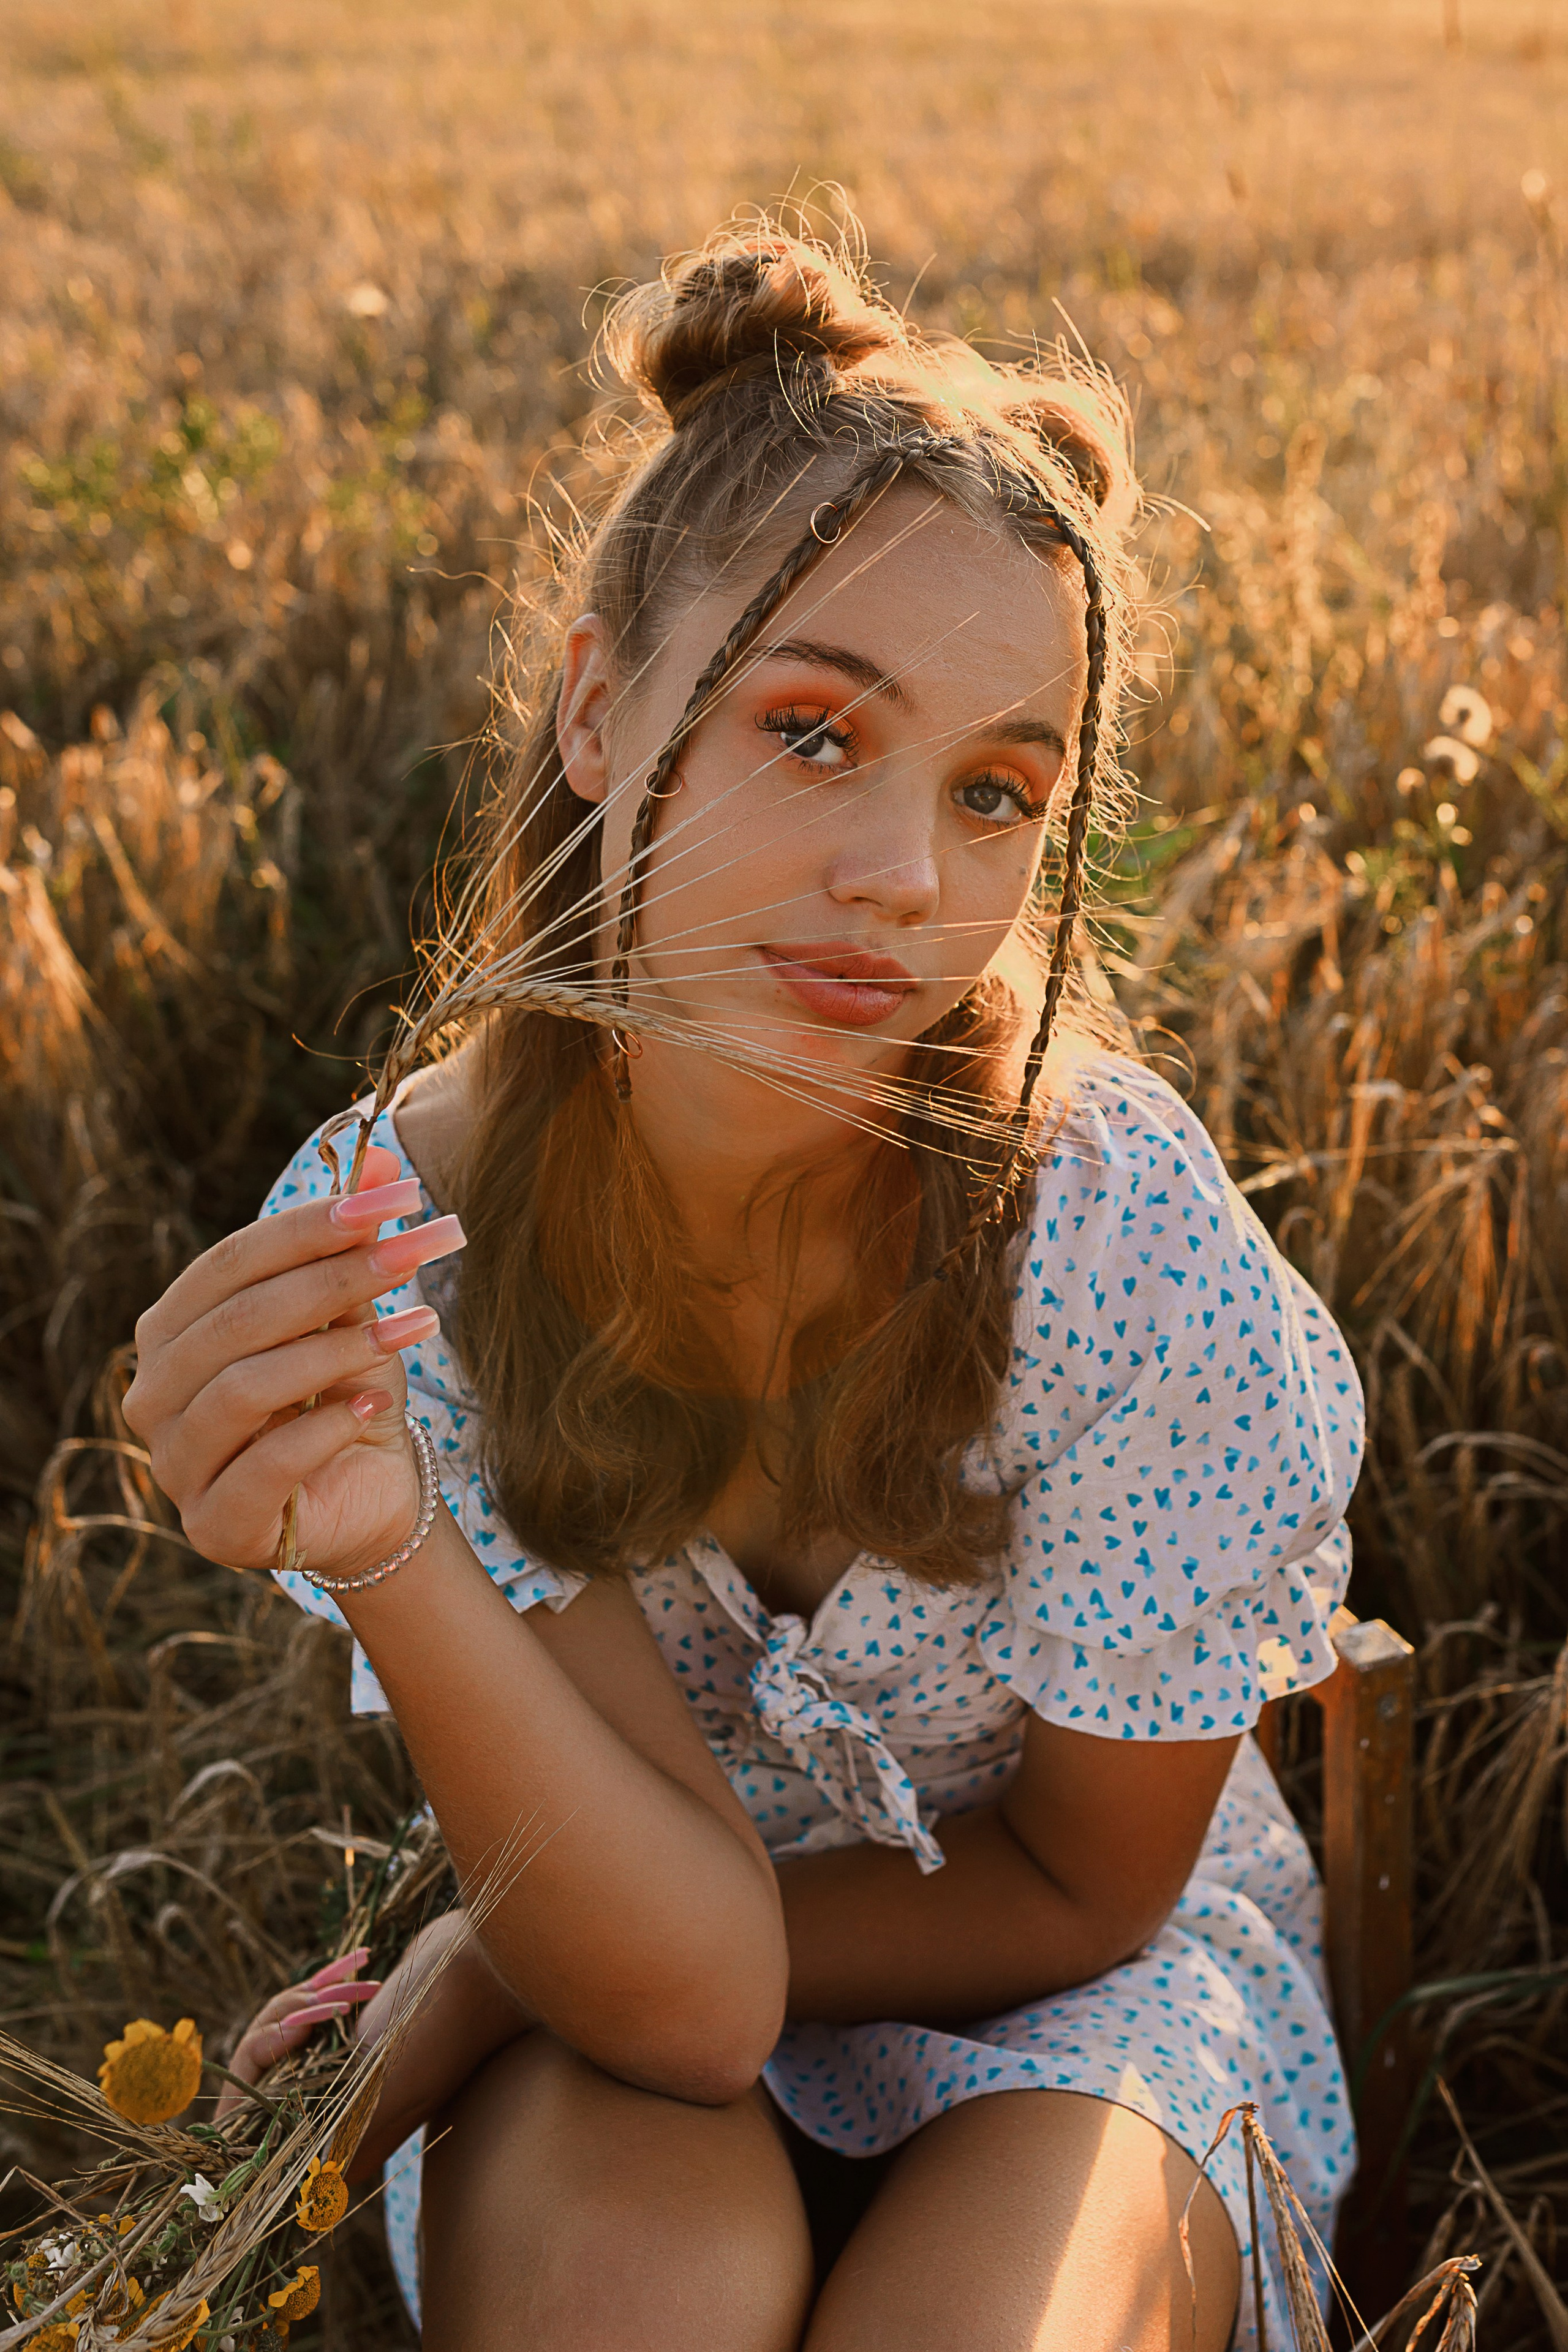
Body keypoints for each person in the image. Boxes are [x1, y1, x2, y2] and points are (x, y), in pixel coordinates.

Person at [124, 221, 1363, 2352]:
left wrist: (467, 1966)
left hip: (1078, 1995)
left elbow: (1084, 1885)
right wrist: (397, 1540)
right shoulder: (399, 1248)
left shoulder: (1118, 1239)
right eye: (814, 733)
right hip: (625, 1969)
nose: (911, 878)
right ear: (602, 709)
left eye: (997, 794)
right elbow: (683, 1991)